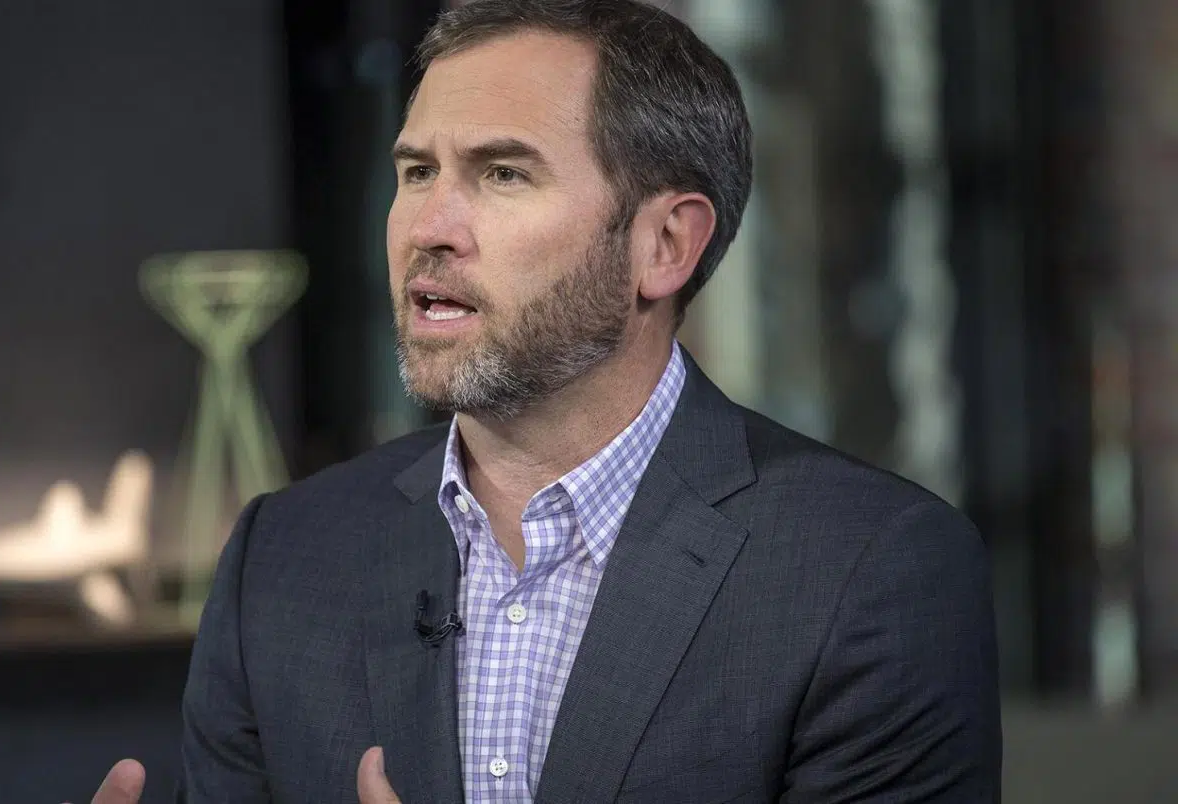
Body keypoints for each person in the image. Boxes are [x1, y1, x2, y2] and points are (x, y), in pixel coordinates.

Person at [84, 0, 1000, 801]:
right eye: (416, 173)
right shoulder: (281, 559)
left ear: (664, 246)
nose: (429, 229)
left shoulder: (871, 571)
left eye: (503, 174)